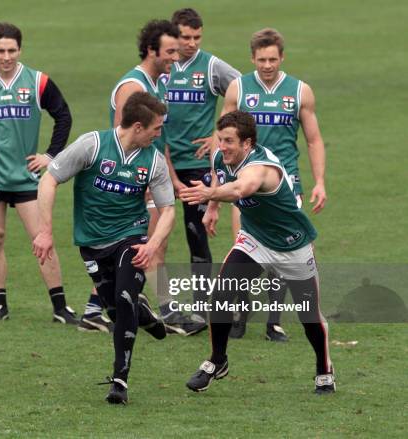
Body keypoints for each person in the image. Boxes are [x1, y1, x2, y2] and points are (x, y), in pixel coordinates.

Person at [179, 110, 335, 394]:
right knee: (222, 296)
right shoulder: (221, 156)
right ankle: (217, 361)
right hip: (255, 240)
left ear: (247, 144)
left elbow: (241, 188)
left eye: (229, 141)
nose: (222, 146)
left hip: (292, 245)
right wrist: (213, 208)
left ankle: (324, 369)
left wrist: (209, 196)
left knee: (309, 315)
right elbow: (220, 176)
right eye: (220, 139)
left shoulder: (261, 168)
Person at [33, 92, 175, 404]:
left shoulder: (154, 161)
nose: (160, 133)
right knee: (114, 308)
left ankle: (120, 380)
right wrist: (45, 232)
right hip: (92, 243)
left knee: (123, 299)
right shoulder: (92, 145)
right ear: (137, 126)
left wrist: (152, 244)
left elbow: (168, 210)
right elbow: (48, 180)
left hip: (131, 237)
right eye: (157, 128)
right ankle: (144, 316)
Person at [0, 22, 77, 324]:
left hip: (26, 177)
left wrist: (50, 155)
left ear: (20, 50)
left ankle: (60, 307)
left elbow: (63, 115)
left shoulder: (37, 82)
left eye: (12, 50)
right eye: (0, 50)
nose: (6, 56)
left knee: (42, 239)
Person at [221, 28, 327, 341]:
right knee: (244, 248)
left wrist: (319, 181)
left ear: (282, 57)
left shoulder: (299, 91)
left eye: (273, 59)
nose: (267, 65)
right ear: (252, 58)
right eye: (261, 59)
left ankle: (274, 321)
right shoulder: (238, 89)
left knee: (282, 252)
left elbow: (313, 139)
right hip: (245, 184)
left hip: (284, 185)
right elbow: (224, 135)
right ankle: (240, 313)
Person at [78, 19, 182, 334]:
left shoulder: (159, 83)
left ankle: (99, 310)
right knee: (138, 248)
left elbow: (156, 141)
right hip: (127, 181)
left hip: (146, 174)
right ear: (151, 50)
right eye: (170, 51)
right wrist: (139, 180)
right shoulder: (133, 87)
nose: (175, 58)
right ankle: (163, 312)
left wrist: (172, 179)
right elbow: (123, 138)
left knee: (148, 245)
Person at [162, 8, 240, 335]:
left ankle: (201, 308)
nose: (191, 44)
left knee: (196, 235)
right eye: (185, 37)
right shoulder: (160, 69)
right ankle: (156, 304)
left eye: (197, 37)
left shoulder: (210, 67)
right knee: (153, 233)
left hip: (196, 166)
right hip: (161, 164)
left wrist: (217, 134)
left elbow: (244, 89)